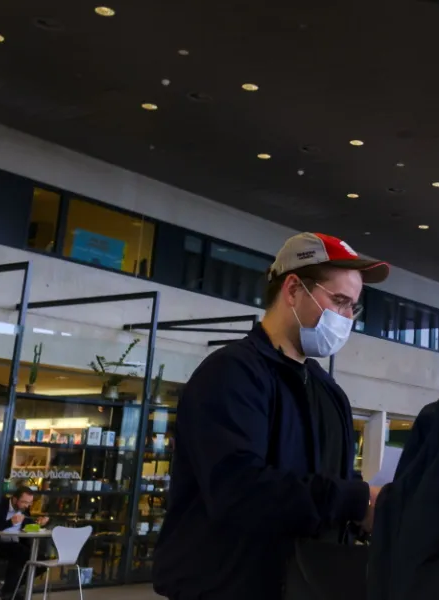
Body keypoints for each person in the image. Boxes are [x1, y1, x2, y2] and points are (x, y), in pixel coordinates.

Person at [154, 232, 386, 599]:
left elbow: (334, 481)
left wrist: (368, 512)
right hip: (228, 587)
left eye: (352, 308)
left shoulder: (329, 392)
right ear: (293, 289)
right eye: (339, 301)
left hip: (306, 585)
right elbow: (239, 490)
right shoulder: (231, 374)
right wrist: (355, 500)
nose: (346, 319)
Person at [0, 487, 47, 598]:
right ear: (14, 500)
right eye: (24, 502)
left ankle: (11, 588)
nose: (27, 506)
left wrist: (38, 524)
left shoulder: (24, 510)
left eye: (29, 503)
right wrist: (9, 522)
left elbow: (27, 526)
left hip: (17, 545)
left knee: (42, 561)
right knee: (19, 552)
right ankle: (10, 592)